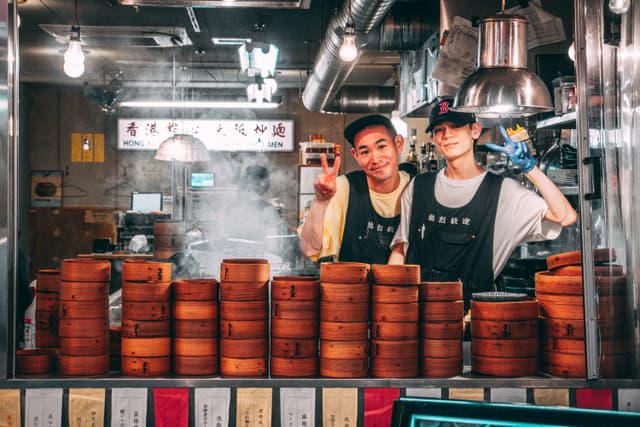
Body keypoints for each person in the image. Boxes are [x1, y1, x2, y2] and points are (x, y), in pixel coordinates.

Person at [389, 98, 577, 307]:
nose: (447, 135)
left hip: (478, 321)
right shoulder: (419, 186)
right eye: (439, 129)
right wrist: (392, 305)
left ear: (475, 130)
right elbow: (400, 251)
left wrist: (530, 169)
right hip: (419, 317)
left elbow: (565, 216)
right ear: (433, 139)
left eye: (456, 126)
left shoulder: (504, 191)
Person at [299, 114, 413, 264]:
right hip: (350, 286)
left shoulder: (417, 187)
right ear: (356, 156)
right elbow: (310, 249)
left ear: (398, 144)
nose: (376, 159)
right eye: (365, 152)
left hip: (405, 286)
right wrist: (320, 202)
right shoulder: (343, 188)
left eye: (382, 147)